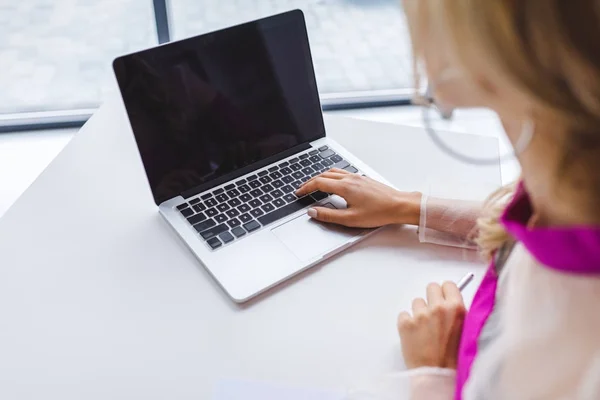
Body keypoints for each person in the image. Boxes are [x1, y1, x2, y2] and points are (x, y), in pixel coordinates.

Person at [296, 1, 600, 398]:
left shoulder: (572, 354)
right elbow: (521, 236)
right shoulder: (569, 177)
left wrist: (433, 375)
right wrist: (408, 206)